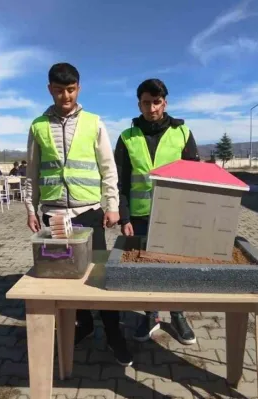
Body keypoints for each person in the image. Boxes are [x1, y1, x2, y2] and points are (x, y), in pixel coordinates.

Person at [24, 62, 132, 366]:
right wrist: (31, 209)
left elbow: (108, 168)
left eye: (70, 89)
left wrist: (111, 205)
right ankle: (83, 324)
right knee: (64, 276)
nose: (65, 96)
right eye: (59, 90)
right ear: (50, 90)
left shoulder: (94, 122)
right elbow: (31, 173)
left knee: (99, 276)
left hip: (88, 213)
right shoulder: (38, 126)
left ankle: (114, 335)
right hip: (55, 216)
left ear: (79, 88)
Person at [114, 78, 200, 345]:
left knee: (175, 267)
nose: (151, 108)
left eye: (156, 102)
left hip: (175, 215)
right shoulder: (127, 137)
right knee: (147, 267)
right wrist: (125, 217)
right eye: (145, 102)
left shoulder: (183, 133)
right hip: (139, 217)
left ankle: (177, 314)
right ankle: (151, 314)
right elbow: (121, 181)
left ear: (165, 102)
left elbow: (195, 178)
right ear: (138, 103)